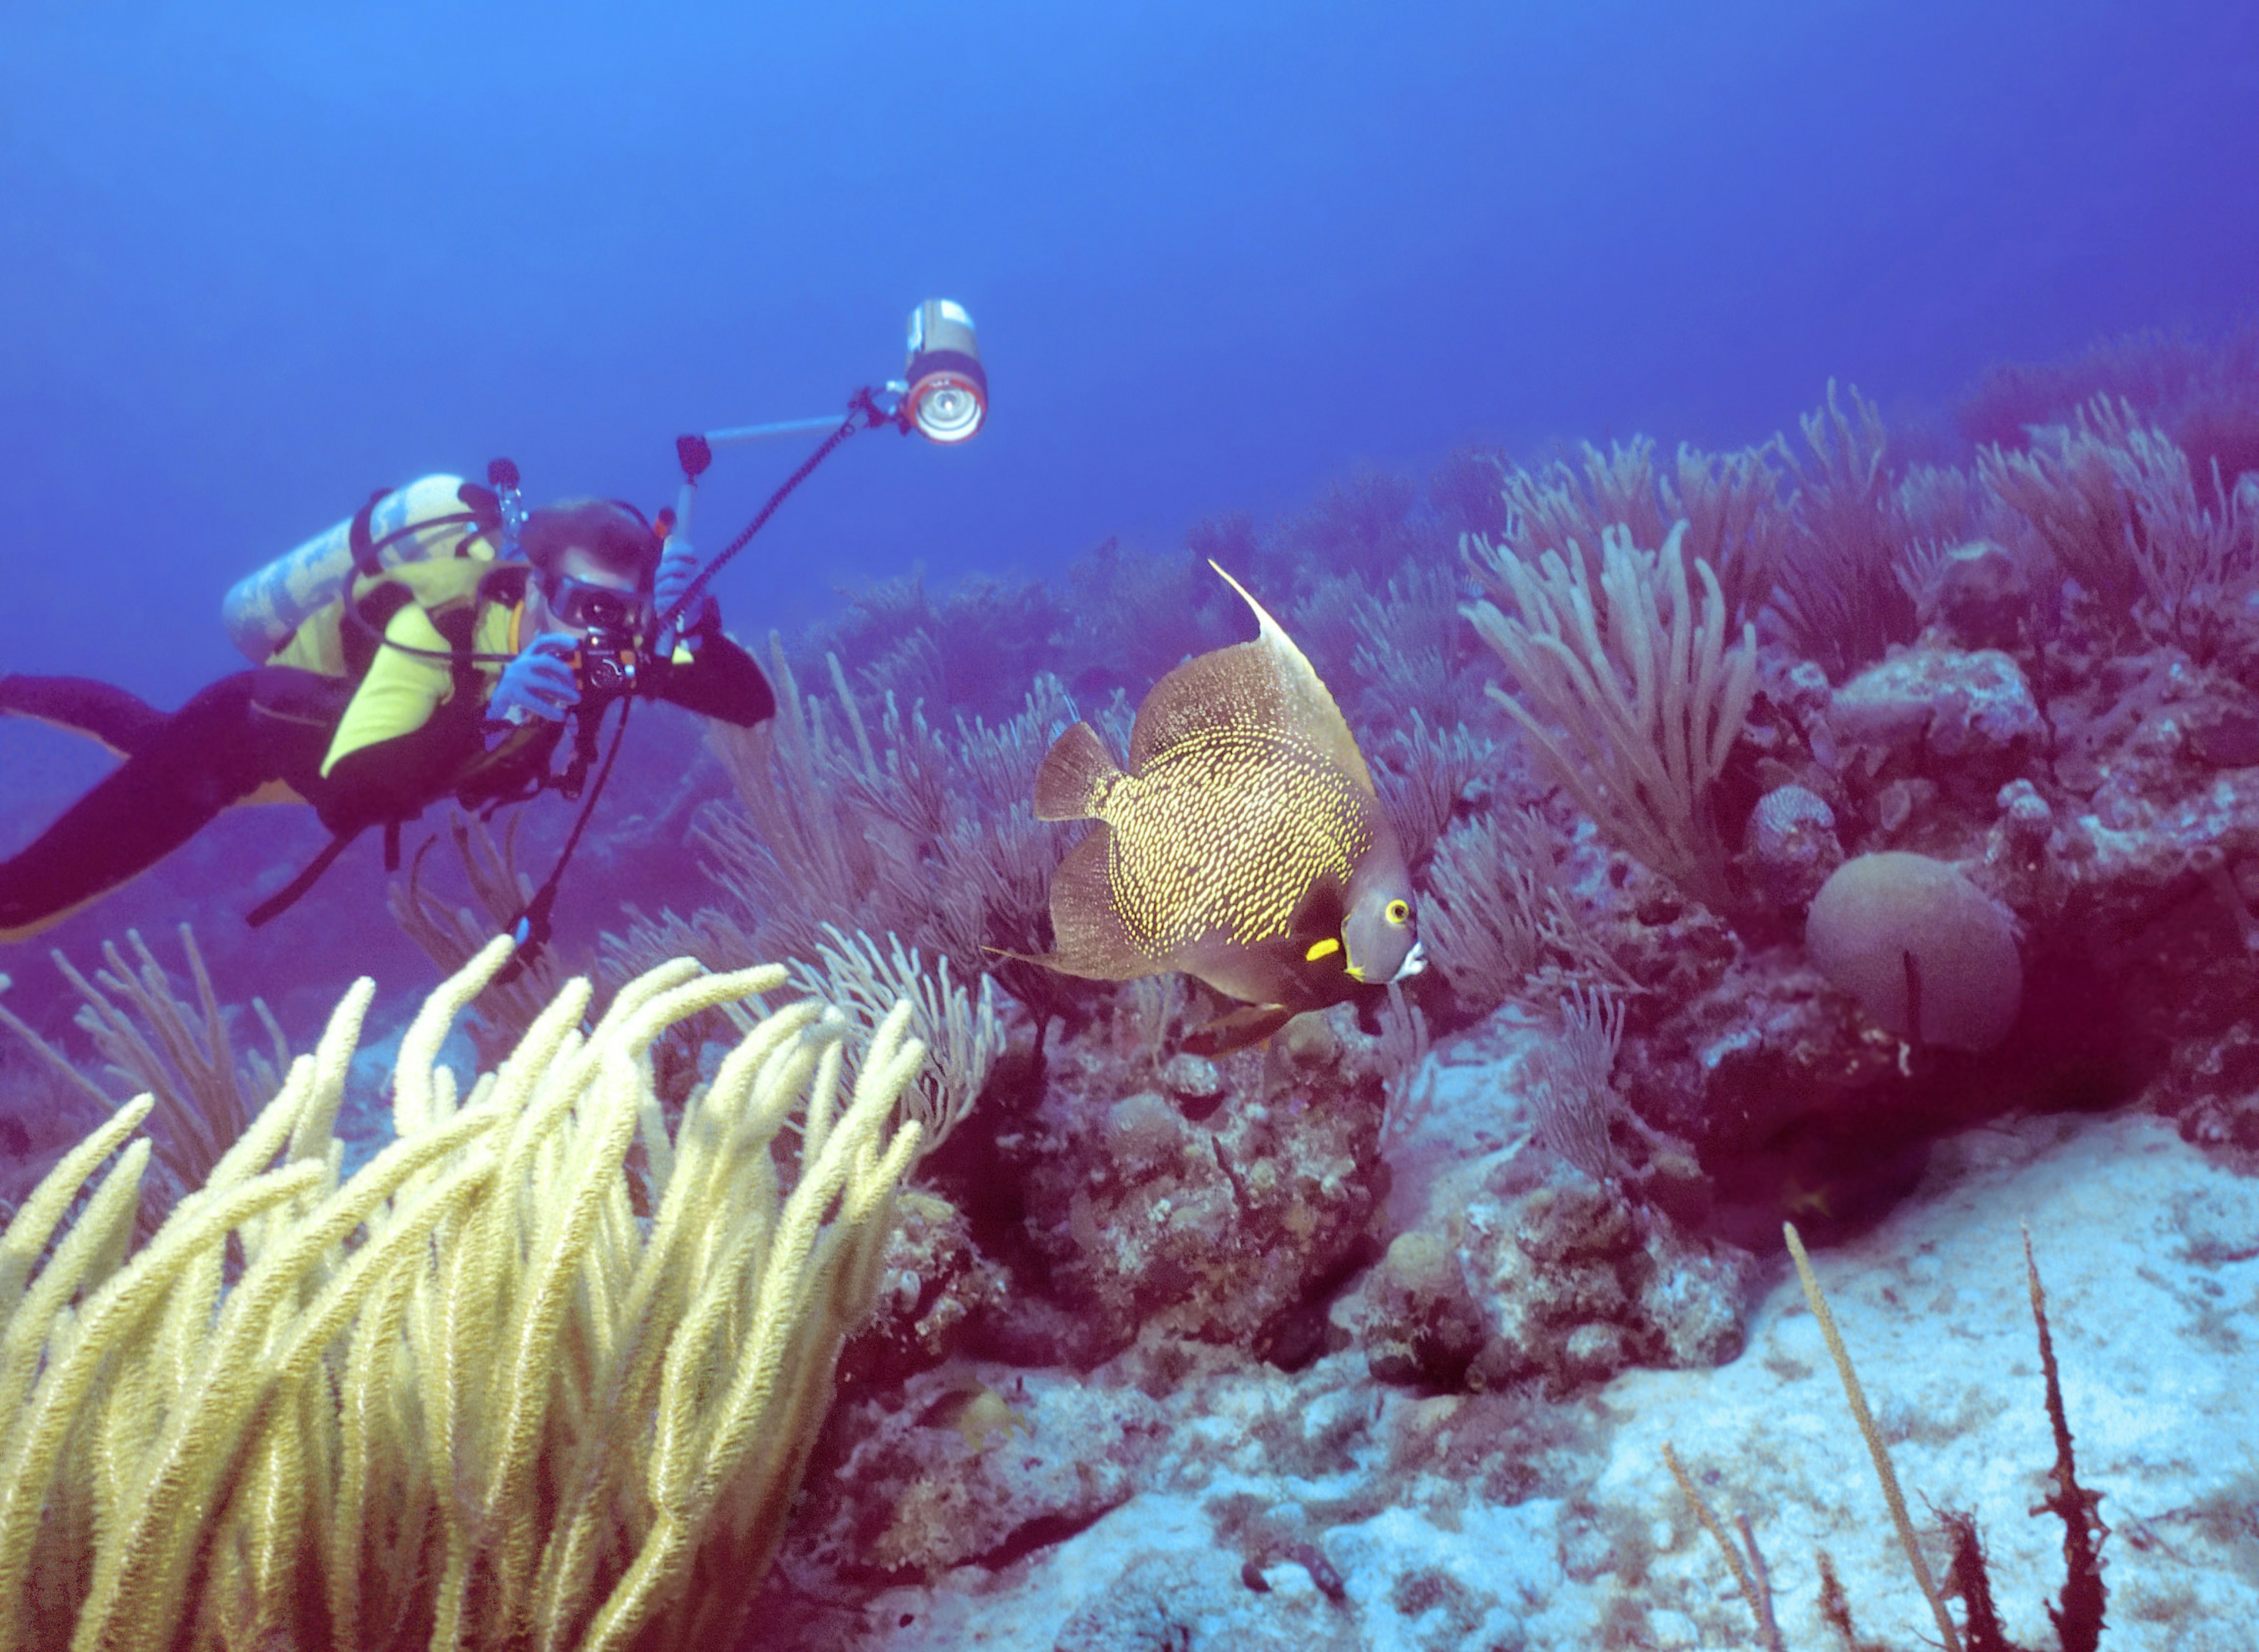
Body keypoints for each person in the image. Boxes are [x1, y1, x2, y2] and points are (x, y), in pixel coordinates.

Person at [0, 497, 775, 942]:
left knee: (136, 728)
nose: (601, 635)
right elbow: (350, 795)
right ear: (535, 590)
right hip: (246, 743)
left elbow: (749, 703)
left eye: (623, 615)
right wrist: (494, 714)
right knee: (29, 897)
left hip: (335, 764)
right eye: (585, 608)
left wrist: (694, 633)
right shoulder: (437, 628)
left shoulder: (604, 653)